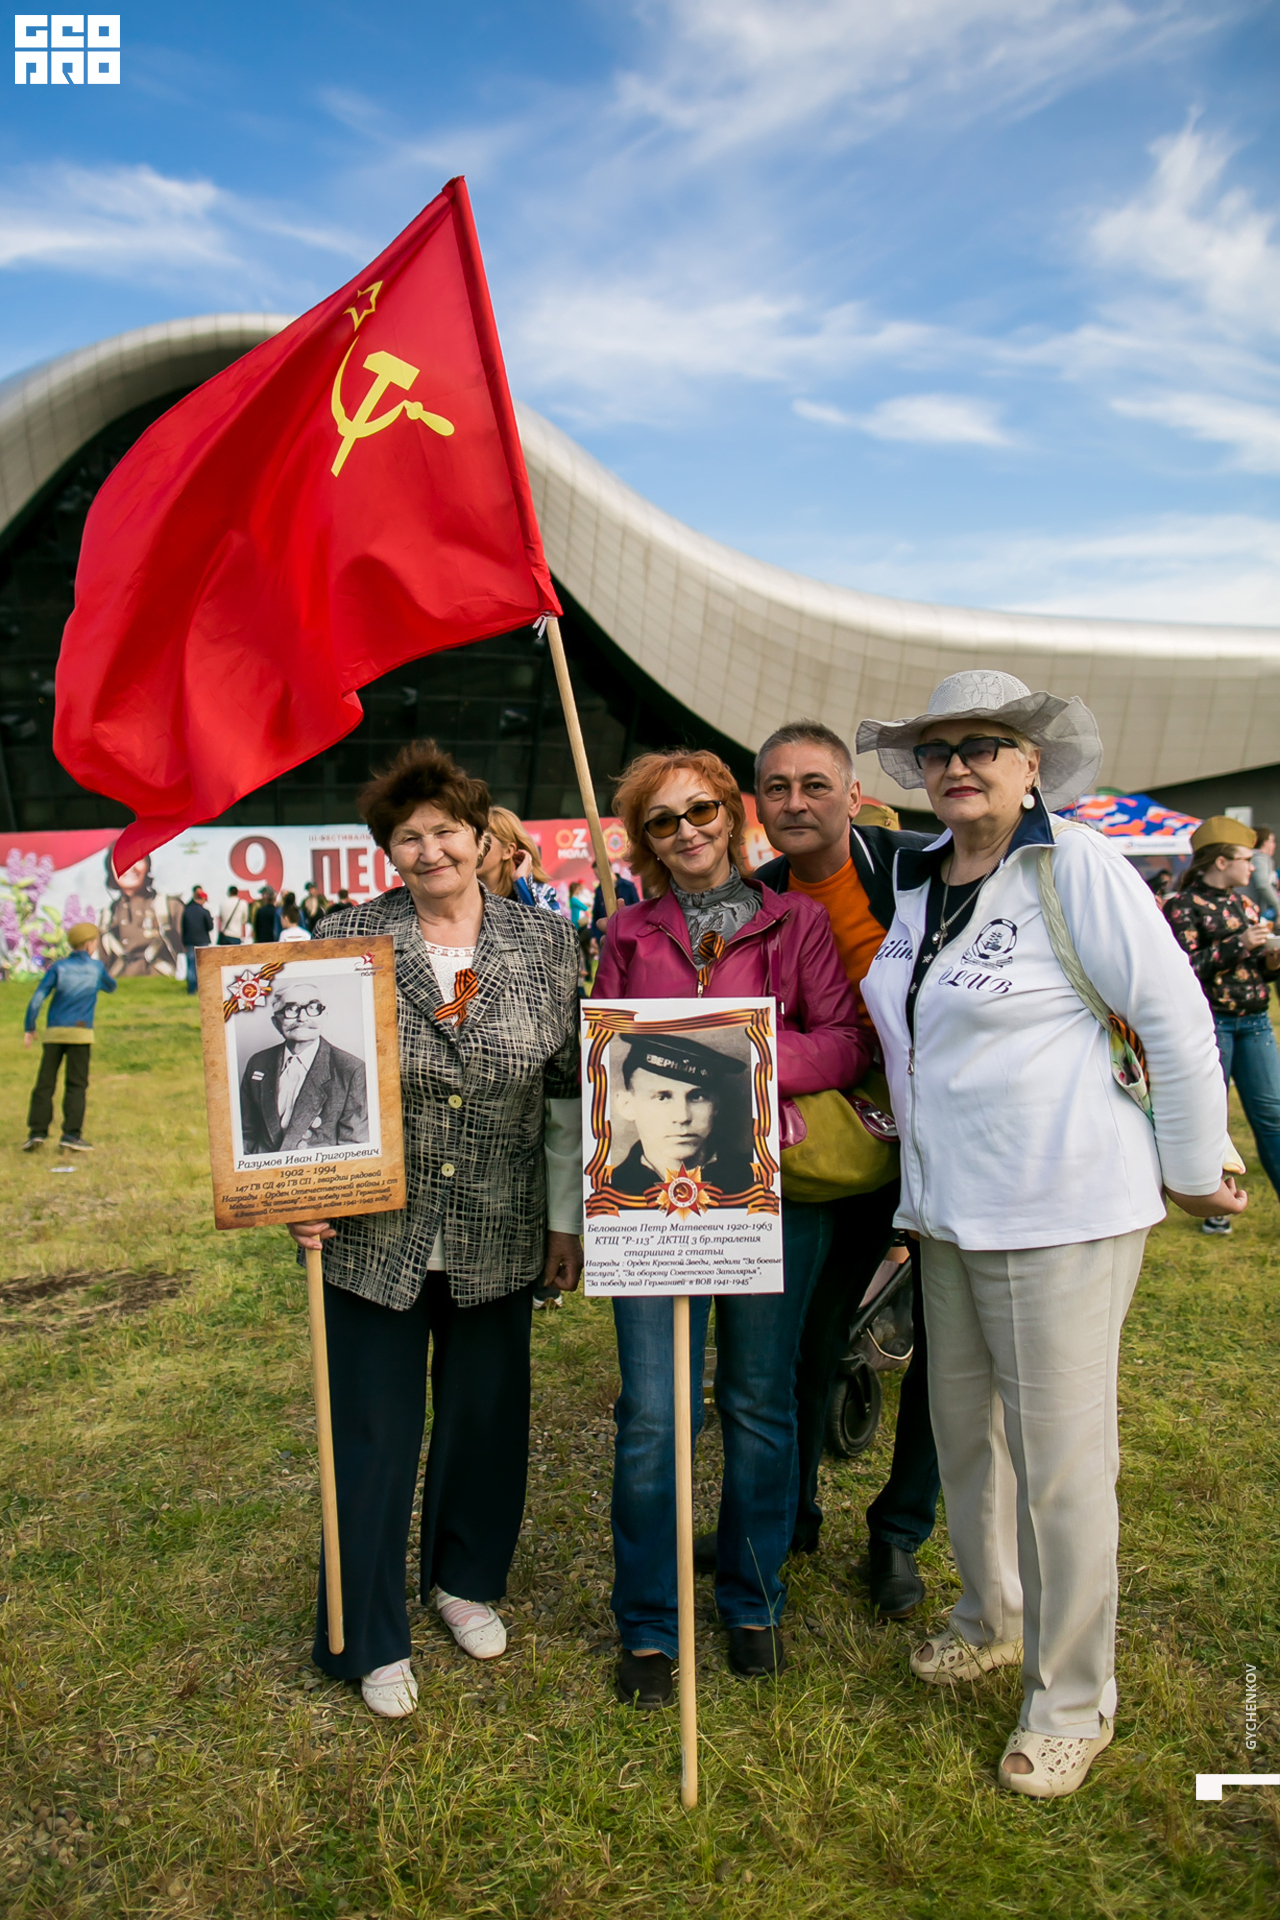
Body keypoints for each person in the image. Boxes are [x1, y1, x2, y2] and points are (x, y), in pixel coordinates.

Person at [857, 670, 1241, 1799]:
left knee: (1061, 1468)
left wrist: (1193, 1169)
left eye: (983, 745)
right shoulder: (920, 878)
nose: (956, 765)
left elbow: (1174, 1019)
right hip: (947, 1210)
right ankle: (990, 1617)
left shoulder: (1078, 868)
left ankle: (1073, 1699)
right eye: (938, 750)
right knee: (965, 1439)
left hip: (1060, 1209)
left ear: (1030, 766)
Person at [285, 741, 582, 1720]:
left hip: (500, 1224)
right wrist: (296, 1189)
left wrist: (565, 1222)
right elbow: (300, 1073)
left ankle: (464, 1580)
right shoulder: (345, 936)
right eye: (407, 837)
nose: (429, 851)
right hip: (373, 1232)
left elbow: (564, 1091)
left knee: (485, 1420)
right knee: (370, 1435)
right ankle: (366, 1633)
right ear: (388, 851)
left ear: (480, 835)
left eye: (445, 831)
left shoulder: (547, 944)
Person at [593, 748, 867, 1705]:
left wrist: (746, 1060)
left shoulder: (797, 921)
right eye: (663, 821)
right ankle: (648, 1622)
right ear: (645, 840)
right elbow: (607, 1059)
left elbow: (846, 1041)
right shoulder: (627, 930)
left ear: (731, 814)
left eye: (701, 810)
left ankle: (753, 1599)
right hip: (651, 1199)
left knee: (759, 1401)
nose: (687, 832)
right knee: (652, 1414)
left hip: (769, 1195)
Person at [751, 718, 939, 1618]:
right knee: (806, 1340)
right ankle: (788, 1518)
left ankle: (898, 1533)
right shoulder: (755, 899)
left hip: (948, 1143)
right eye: (777, 787)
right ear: (759, 804)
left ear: (854, 795)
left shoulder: (918, 873)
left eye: (815, 784)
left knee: (947, 1351)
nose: (796, 802)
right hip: (835, 1148)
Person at [1162, 817, 1280, 1232]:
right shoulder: (1182, 906)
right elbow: (1185, 970)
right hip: (1212, 1025)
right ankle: (1216, 1209)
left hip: (1256, 1021)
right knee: (1212, 1120)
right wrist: (1239, 943)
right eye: (1246, 859)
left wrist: (1271, 960)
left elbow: (1257, 972)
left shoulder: (1244, 905)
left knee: (1273, 1116)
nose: (1253, 866)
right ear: (1221, 861)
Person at [609, 1034, 754, 1199]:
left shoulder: (756, 1178)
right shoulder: (608, 1191)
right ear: (627, 1105)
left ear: (716, 1105)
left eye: (697, 1097)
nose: (682, 1116)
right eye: (662, 1097)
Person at [239, 979, 369, 1155]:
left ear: (324, 1016)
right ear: (276, 1021)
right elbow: (244, 1136)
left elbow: (354, 1149)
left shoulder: (351, 1070)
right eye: (291, 1009)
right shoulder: (258, 1062)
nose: (302, 1018)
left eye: (313, 1008)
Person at [23, 922, 116, 1151]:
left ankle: (37, 1132)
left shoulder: (59, 967)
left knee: (45, 1083)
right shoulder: (96, 968)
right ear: (89, 944)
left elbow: (38, 998)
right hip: (81, 1034)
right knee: (76, 1084)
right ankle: (71, 1135)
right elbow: (111, 987)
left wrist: (30, 1026)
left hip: (54, 1033)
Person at [98, 850, 183, 978]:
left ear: (147, 865)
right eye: (121, 861)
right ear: (111, 869)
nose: (130, 866)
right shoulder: (107, 915)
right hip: (120, 986)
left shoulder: (170, 907)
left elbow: (194, 952)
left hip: (161, 984)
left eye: (137, 860)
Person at [478, 807, 562, 912]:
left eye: (484, 840)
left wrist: (521, 884)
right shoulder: (462, 894)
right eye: (472, 840)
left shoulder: (543, 894)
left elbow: (542, 921)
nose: (474, 848)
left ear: (508, 851)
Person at [592, 861, 639, 938]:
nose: (597, 878)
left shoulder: (628, 886)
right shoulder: (599, 891)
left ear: (608, 869)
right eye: (596, 875)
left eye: (598, 874)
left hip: (627, 932)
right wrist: (593, 936)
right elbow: (596, 915)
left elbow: (637, 910)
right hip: (606, 935)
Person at [181, 887, 214, 994]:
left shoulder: (187, 910)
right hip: (202, 941)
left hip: (189, 941)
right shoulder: (204, 911)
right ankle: (202, 988)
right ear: (202, 899)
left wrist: (184, 941)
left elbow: (183, 927)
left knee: (191, 965)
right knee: (202, 965)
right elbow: (210, 927)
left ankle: (191, 989)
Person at [1247, 825, 1280, 922]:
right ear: (1265, 842)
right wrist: (1278, 907)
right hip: (1251, 910)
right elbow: (1262, 884)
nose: (1274, 845)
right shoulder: (1259, 858)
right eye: (1272, 841)